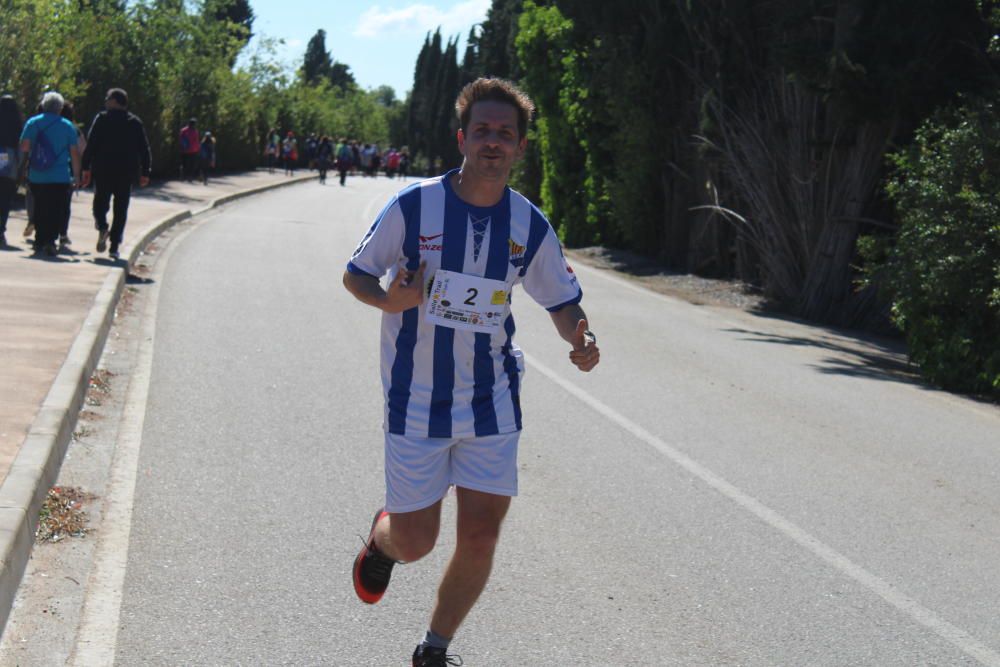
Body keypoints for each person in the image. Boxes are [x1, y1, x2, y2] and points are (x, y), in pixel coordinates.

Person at [343, 77, 600, 667]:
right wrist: (389, 303)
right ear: (462, 138)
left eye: (504, 133)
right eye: (482, 130)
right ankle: (384, 538)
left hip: (492, 400)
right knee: (416, 541)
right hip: (415, 398)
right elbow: (356, 273)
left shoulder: (529, 225)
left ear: (520, 147)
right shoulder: (414, 206)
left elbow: (562, 302)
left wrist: (580, 337)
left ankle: (434, 649)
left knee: (481, 534)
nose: (492, 141)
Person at [80, 87, 152, 260]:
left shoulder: (102, 119)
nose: (105, 102)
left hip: (103, 170)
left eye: (108, 99)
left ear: (114, 101)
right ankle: (114, 246)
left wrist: (85, 167)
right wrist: (145, 171)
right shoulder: (134, 122)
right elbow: (144, 149)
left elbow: (91, 145)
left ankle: (103, 226)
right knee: (121, 209)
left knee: (100, 203)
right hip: (125, 172)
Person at [18, 92, 81, 257]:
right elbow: (74, 153)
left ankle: (39, 240)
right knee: (55, 209)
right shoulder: (67, 126)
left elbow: (24, 148)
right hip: (60, 175)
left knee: (39, 206)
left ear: (43, 106)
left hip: (37, 173)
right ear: (60, 108)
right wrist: (77, 176)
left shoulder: (33, 123)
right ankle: (50, 241)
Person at [58, 101, 86, 249]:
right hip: (67, 171)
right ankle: (63, 234)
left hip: (45, 169)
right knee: (64, 205)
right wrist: (81, 172)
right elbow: (82, 151)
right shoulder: (74, 130)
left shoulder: (48, 126)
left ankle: (45, 232)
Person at [0, 95, 23, 248]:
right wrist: (21, 167)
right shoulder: (17, 123)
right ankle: (1, 230)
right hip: (9, 158)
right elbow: (21, 147)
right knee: (5, 198)